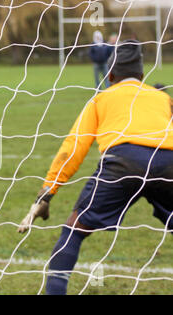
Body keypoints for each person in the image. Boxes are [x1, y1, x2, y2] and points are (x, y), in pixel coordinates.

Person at [17, 40, 173, 295]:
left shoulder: (101, 99)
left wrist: (46, 194)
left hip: (123, 162)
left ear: (110, 75)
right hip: (169, 162)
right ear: (143, 76)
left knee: (72, 231)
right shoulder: (163, 98)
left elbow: (73, 148)